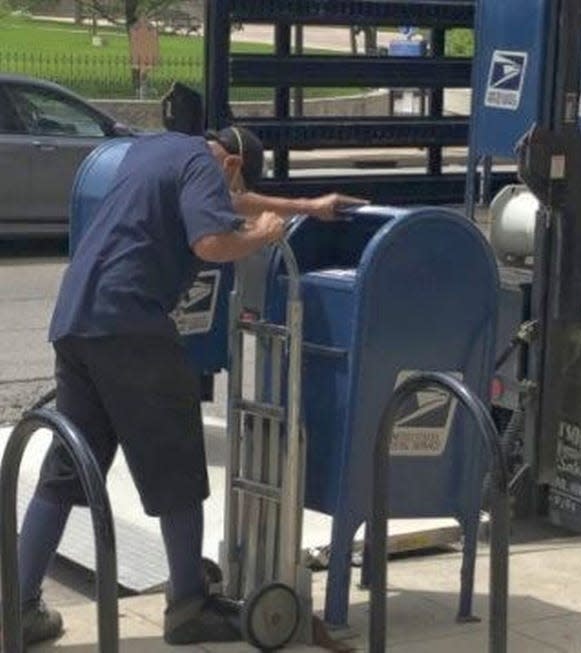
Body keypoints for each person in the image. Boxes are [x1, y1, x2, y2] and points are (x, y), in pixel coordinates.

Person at [8, 126, 366, 646]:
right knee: (177, 461)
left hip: (77, 320)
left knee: (67, 467)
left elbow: (232, 198)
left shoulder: (159, 149)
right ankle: (189, 607)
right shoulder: (205, 170)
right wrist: (264, 236)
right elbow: (212, 241)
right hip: (131, 323)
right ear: (232, 163)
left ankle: (19, 607)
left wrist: (307, 207)